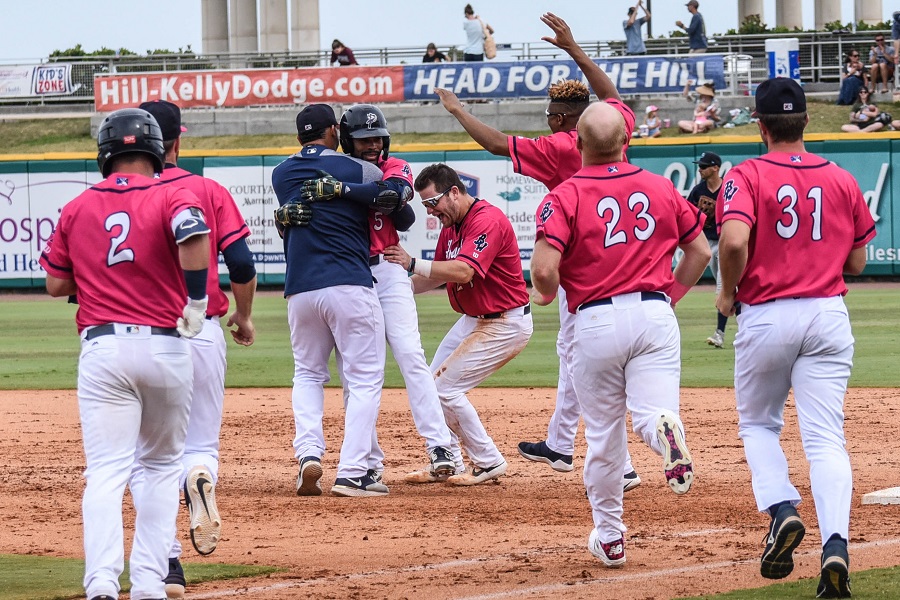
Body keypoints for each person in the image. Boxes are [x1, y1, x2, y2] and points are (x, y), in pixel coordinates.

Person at [435, 12, 642, 491]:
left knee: (584, 359)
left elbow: (494, 145)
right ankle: (561, 443)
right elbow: (611, 96)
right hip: (626, 258)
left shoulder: (562, 146)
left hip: (582, 265)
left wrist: (457, 110)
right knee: (573, 354)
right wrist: (573, 48)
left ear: (558, 118)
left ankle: (622, 464)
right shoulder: (614, 127)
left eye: (551, 113)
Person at [39, 107, 211, 600]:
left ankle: (99, 585)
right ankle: (152, 584)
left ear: (104, 154)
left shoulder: (78, 205)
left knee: (107, 471)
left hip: (105, 347)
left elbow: (55, 282)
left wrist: (97, 276)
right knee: (159, 468)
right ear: (156, 150)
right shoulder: (174, 191)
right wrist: (197, 301)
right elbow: (194, 236)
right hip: (165, 346)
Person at [530, 101, 710, 567]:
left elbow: (544, 271)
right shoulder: (660, 187)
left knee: (606, 439)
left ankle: (610, 537)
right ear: (626, 143)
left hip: (595, 320)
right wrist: (670, 296)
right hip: (654, 312)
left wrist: (546, 294)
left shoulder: (563, 195)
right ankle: (662, 432)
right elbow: (701, 252)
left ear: (579, 143)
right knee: (652, 413)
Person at [715, 77, 876, 599]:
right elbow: (857, 259)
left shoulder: (746, 174)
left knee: (759, 425)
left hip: (766, 312)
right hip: (828, 313)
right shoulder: (842, 178)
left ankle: (783, 510)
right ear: (806, 120)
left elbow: (735, 240)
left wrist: (726, 289)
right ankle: (836, 546)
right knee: (826, 438)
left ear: (759, 125)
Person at [134, 100, 257, 599]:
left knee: (149, 459)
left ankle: (168, 568)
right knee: (199, 446)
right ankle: (200, 476)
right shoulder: (205, 189)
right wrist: (243, 317)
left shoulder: (116, 197)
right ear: (176, 142)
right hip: (201, 327)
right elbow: (242, 262)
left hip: (142, 334)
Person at [299, 104, 456, 484]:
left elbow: (395, 196)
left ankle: (439, 445)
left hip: (386, 269)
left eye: (377, 138)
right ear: (347, 139)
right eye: (364, 139)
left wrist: (343, 191)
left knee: (409, 351)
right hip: (350, 272)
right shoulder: (335, 168)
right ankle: (367, 459)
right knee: (354, 372)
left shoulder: (392, 164)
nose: (373, 145)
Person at [271, 104, 394, 498]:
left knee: (307, 374)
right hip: (348, 283)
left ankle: (308, 453)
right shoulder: (360, 169)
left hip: (300, 288)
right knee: (363, 380)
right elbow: (392, 201)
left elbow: (296, 208)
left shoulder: (280, 173)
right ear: (333, 131)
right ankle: (354, 471)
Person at [384, 163, 534, 486]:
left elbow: (464, 271)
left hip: (505, 322)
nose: (430, 210)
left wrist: (410, 262)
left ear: (454, 191)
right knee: (430, 386)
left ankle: (488, 460)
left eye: (433, 202)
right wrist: (395, 288)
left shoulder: (487, 220)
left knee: (444, 389)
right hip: (474, 319)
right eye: (425, 205)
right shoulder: (449, 226)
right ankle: (448, 460)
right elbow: (435, 275)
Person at [685, 151, 728, 348]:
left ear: (715, 168)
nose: (700, 169)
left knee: (721, 288)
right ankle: (744, 324)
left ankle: (719, 333)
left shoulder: (729, 189)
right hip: (708, 243)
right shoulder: (697, 191)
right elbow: (689, 218)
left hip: (726, 242)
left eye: (703, 166)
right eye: (699, 166)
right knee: (728, 290)